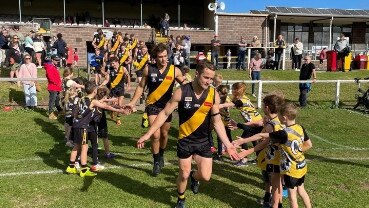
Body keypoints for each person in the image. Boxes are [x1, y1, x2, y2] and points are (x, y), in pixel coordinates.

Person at [136, 60, 240, 208]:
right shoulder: (181, 91)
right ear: (196, 74)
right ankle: (181, 198)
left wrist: (228, 145)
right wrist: (148, 134)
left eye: (211, 78)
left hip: (204, 141)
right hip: (185, 140)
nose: (209, 81)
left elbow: (217, 122)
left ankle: (194, 177)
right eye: (206, 77)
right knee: (183, 173)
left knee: (205, 176)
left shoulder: (213, 94)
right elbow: (164, 113)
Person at [234, 102, 312, 208]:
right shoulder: (300, 127)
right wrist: (296, 151)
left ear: (284, 118)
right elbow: (309, 144)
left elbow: (262, 135)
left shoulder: (283, 133)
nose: (277, 117)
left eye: (279, 116)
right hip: (302, 165)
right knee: (302, 191)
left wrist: (243, 141)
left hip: (292, 169)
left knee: (292, 197)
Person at [126, 43, 185, 176]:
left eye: (165, 56)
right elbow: (141, 87)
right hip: (152, 106)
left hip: (167, 107)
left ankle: (161, 154)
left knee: (164, 134)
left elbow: (185, 85)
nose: (163, 59)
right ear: (155, 57)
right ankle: (156, 161)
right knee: (155, 134)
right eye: (160, 57)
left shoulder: (175, 70)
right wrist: (132, 102)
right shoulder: (149, 69)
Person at [66, 82, 131, 177]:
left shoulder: (82, 98)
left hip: (75, 125)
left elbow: (100, 103)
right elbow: (106, 106)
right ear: (95, 91)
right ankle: (84, 169)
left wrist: (110, 99)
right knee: (85, 147)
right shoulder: (93, 101)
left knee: (76, 146)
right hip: (83, 126)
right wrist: (121, 111)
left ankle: (71, 167)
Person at [232, 93, 285, 208]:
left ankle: (276, 204)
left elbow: (263, 139)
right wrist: (243, 139)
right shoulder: (272, 120)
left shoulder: (272, 124)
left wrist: (246, 150)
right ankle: (268, 197)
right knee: (268, 180)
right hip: (269, 157)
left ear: (267, 107)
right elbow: (259, 133)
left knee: (276, 184)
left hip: (274, 159)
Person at [100, 57, 130, 125]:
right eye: (111, 64)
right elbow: (107, 80)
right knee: (113, 104)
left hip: (121, 89)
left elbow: (128, 76)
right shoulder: (110, 70)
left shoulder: (123, 68)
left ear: (117, 62)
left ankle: (118, 119)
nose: (112, 65)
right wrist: (101, 85)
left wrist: (129, 85)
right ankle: (112, 111)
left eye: (113, 63)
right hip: (113, 89)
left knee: (119, 104)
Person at [44, 55, 63, 119]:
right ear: (52, 60)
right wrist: (58, 83)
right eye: (56, 60)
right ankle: (50, 113)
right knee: (52, 101)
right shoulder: (50, 67)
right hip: (53, 87)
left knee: (57, 100)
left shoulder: (53, 66)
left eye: (58, 60)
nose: (57, 61)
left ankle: (60, 110)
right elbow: (50, 78)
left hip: (56, 87)